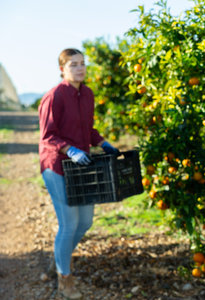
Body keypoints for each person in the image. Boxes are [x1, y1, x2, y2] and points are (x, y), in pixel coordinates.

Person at [38, 48, 118, 299]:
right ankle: (65, 280)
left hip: (80, 167)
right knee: (69, 223)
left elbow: (87, 129)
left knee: (85, 222)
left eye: (82, 63)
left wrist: (103, 143)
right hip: (57, 166)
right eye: (73, 64)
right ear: (62, 69)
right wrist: (69, 149)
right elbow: (48, 136)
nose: (80, 68)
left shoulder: (88, 95)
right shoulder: (54, 96)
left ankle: (59, 259)